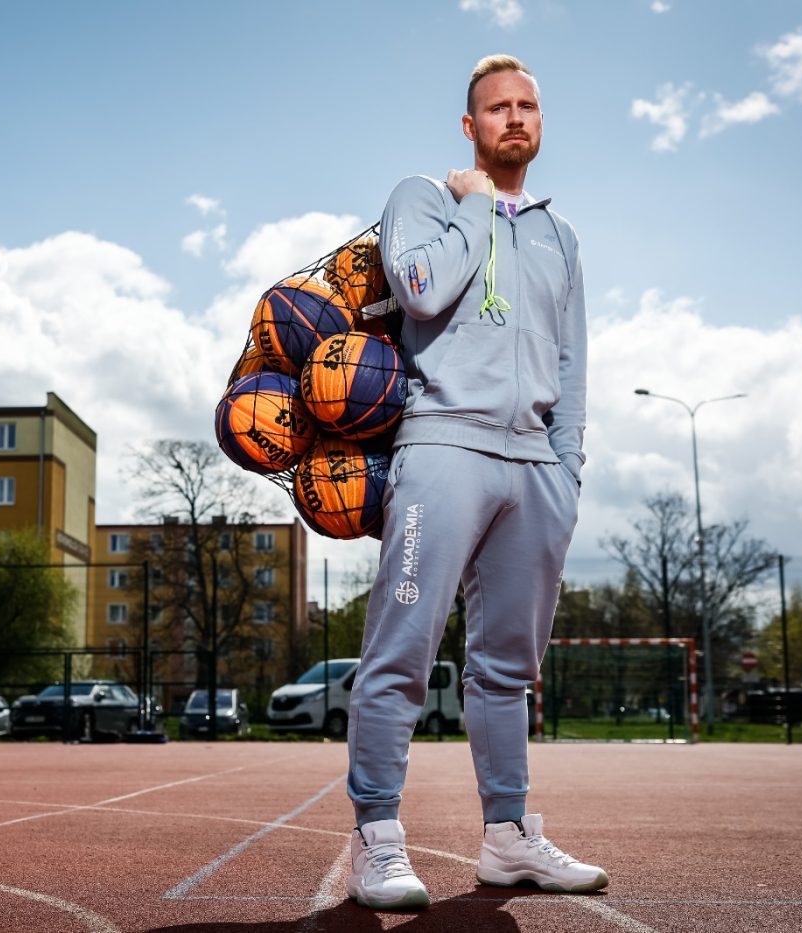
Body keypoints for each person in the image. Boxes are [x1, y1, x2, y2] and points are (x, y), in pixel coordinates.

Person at [344, 54, 607, 910]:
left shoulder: (562, 238)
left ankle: (507, 839)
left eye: (527, 105)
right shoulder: (422, 199)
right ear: (471, 126)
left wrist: (566, 471)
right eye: (497, 108)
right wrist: (472, 208)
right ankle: (378, 837)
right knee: (402, 651)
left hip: (535, 469)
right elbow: (421, 292)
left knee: (507, 668)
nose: (515, 118)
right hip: (444, 449)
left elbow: (570, 368)